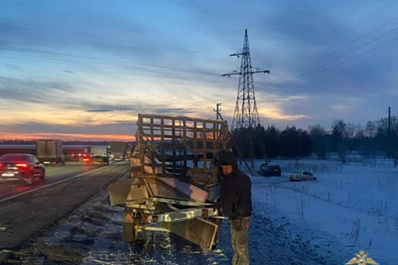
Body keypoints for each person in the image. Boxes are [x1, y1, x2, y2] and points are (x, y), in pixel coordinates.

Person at [216, 150, 252, 265]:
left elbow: (245, 200)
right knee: (235, 244)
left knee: (241, 247)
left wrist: (238, 217)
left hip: (241, 218)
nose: (225, 170)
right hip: (234, 217)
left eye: (228, 168)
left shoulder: (241, 180)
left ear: (233, 166)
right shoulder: (226, 178)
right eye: (223, 168)